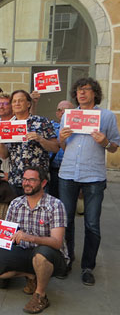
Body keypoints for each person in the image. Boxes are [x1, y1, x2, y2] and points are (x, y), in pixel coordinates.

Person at [58, 78, 120, 286]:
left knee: (92, 223)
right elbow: (65, 146)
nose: (81, 93)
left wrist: (105, 142)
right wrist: (62, 138)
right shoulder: (69, 115)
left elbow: (114, 146)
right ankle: (67, 259)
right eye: (78, 90)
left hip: (94, 176)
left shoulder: (107, 116)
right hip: (68, 173)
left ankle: (88, 267)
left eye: (86, 90)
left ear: (95, 93)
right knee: (66, 221)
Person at [0, 167, 68, 314]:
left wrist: (31, 238)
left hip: (50, 254)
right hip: (23, 250)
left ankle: (40, 295)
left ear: (43, 183)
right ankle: (30, 275)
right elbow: (7, 236)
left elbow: (57, 242)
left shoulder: (55, 205)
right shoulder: (16, 203)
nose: (26, 183)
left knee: (40, 256)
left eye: (31, 180)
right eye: (24, 179)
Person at [0, 90, 58, 196]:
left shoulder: (41, 122)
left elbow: (55, 147)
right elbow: (4, 155)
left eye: (20, 101)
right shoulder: (7, 126)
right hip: (16, 179)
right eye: (14, 101)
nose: (17, 104)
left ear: (28, 104)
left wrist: (40, 139)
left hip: (37, 181)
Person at [48, 100, 74, 199]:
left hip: (71, 171)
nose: (62, 112)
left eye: (66, 110)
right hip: (54, 170)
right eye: (60, 110)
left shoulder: (79, 129)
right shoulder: (50, 126)